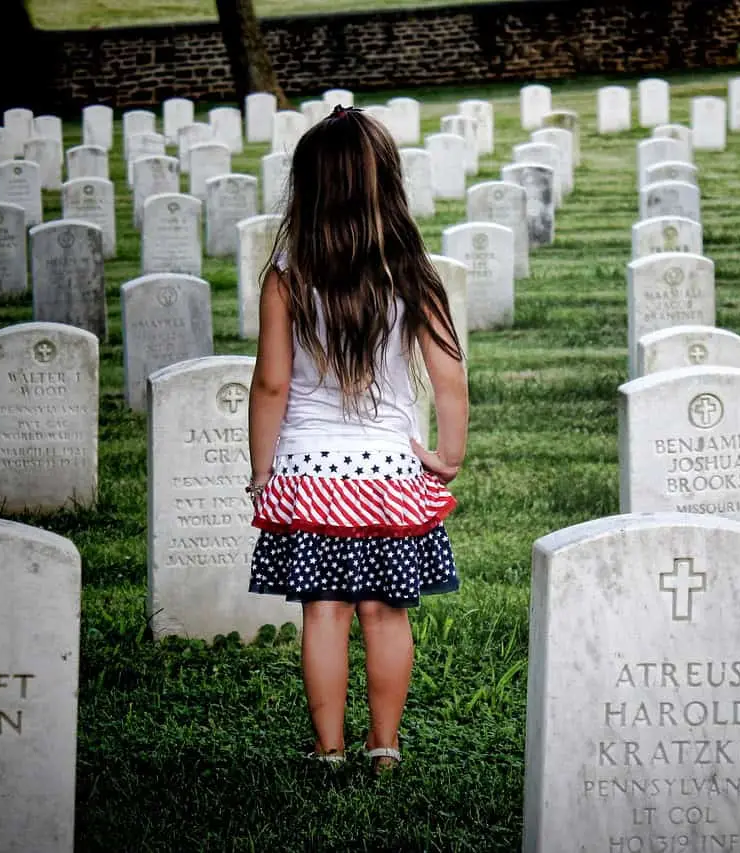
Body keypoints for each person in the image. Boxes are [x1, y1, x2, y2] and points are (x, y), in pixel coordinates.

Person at [244, 104, 468, 776]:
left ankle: (328, 748)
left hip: (311, 473)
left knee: (324, 610)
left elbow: (272, 385)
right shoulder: (412, 274)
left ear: (307, 190)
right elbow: (449, 377)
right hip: (391, 474)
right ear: (387, 186)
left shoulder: (287, 276)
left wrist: (263, 470)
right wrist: (448, 455)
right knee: (386, 609)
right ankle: (386, 746)